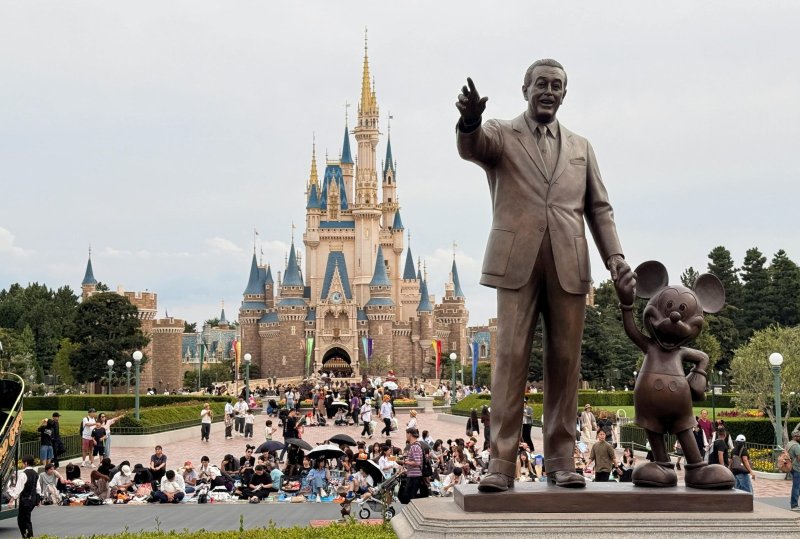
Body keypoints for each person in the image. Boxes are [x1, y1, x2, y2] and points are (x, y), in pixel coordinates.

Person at [456, 59, 627, 491]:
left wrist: (616, 258)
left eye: (556, 85)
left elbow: (599, 209)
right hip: (517, 261)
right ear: (525, 88)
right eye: (541, 84)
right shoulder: (500, 133)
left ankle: (561, 460)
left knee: (565, 363)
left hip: (569, 263)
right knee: (511, 359)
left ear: (564, 94)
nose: (548, 91)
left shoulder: (581, 147)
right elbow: (473, 146)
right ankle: (500, 463)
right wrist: (470, 119)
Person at [7, 455, 41, 538]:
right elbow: (38, 488)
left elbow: (19, 488)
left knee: (23, 520)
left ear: (26, 463)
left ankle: (28, 536)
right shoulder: (36, 474)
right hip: (33, 499)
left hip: (25, 499)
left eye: (22, 462)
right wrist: (38, 499)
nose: (22, 464)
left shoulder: (23, 474)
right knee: (25, 518)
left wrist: (12, 500)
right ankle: (27, 536)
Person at [399, 428, 424, 503]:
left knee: (409, 496)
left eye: (406, 434)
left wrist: (405, 462)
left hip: (414, 476)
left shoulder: (414, 447)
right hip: (414, 475)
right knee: (409, 496)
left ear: (410, 434)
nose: (406, 436)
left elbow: (417, 462)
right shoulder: (417, 445)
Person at [787, 427, 800, 511]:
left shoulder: (789, 443)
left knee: (797, 486)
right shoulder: (796, 446)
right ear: (795, 437)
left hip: (792, 468)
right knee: (796, 487)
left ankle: (794, 503)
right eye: (799, 436)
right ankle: (794, 505)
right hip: (797, 468)